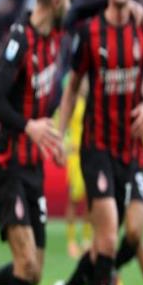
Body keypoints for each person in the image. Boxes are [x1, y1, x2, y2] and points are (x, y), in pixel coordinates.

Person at [0, 0, 143, 285]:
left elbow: (86, 8)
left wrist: (130, 4)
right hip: (9, 166)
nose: (71, 4)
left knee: (33, 272)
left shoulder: (57, 26)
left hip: (34, 167)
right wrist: (30, 127)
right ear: (55, 1)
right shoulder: (21, 40)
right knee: (26, 265)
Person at [53, 0, 143, 285]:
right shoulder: (89, 33)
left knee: (133, 233)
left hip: (133, 150)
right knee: (108, 236)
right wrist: (59, 133)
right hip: (96, 147)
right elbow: (72, 88)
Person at [63, 76, 92, 259]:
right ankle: (71, 240)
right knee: (74, 199)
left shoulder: (91, 103)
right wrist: (66, 144)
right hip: (75, 156)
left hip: (89, 154)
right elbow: (61, 123)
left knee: (90, 199)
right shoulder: (72, 103)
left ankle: (87, 239)